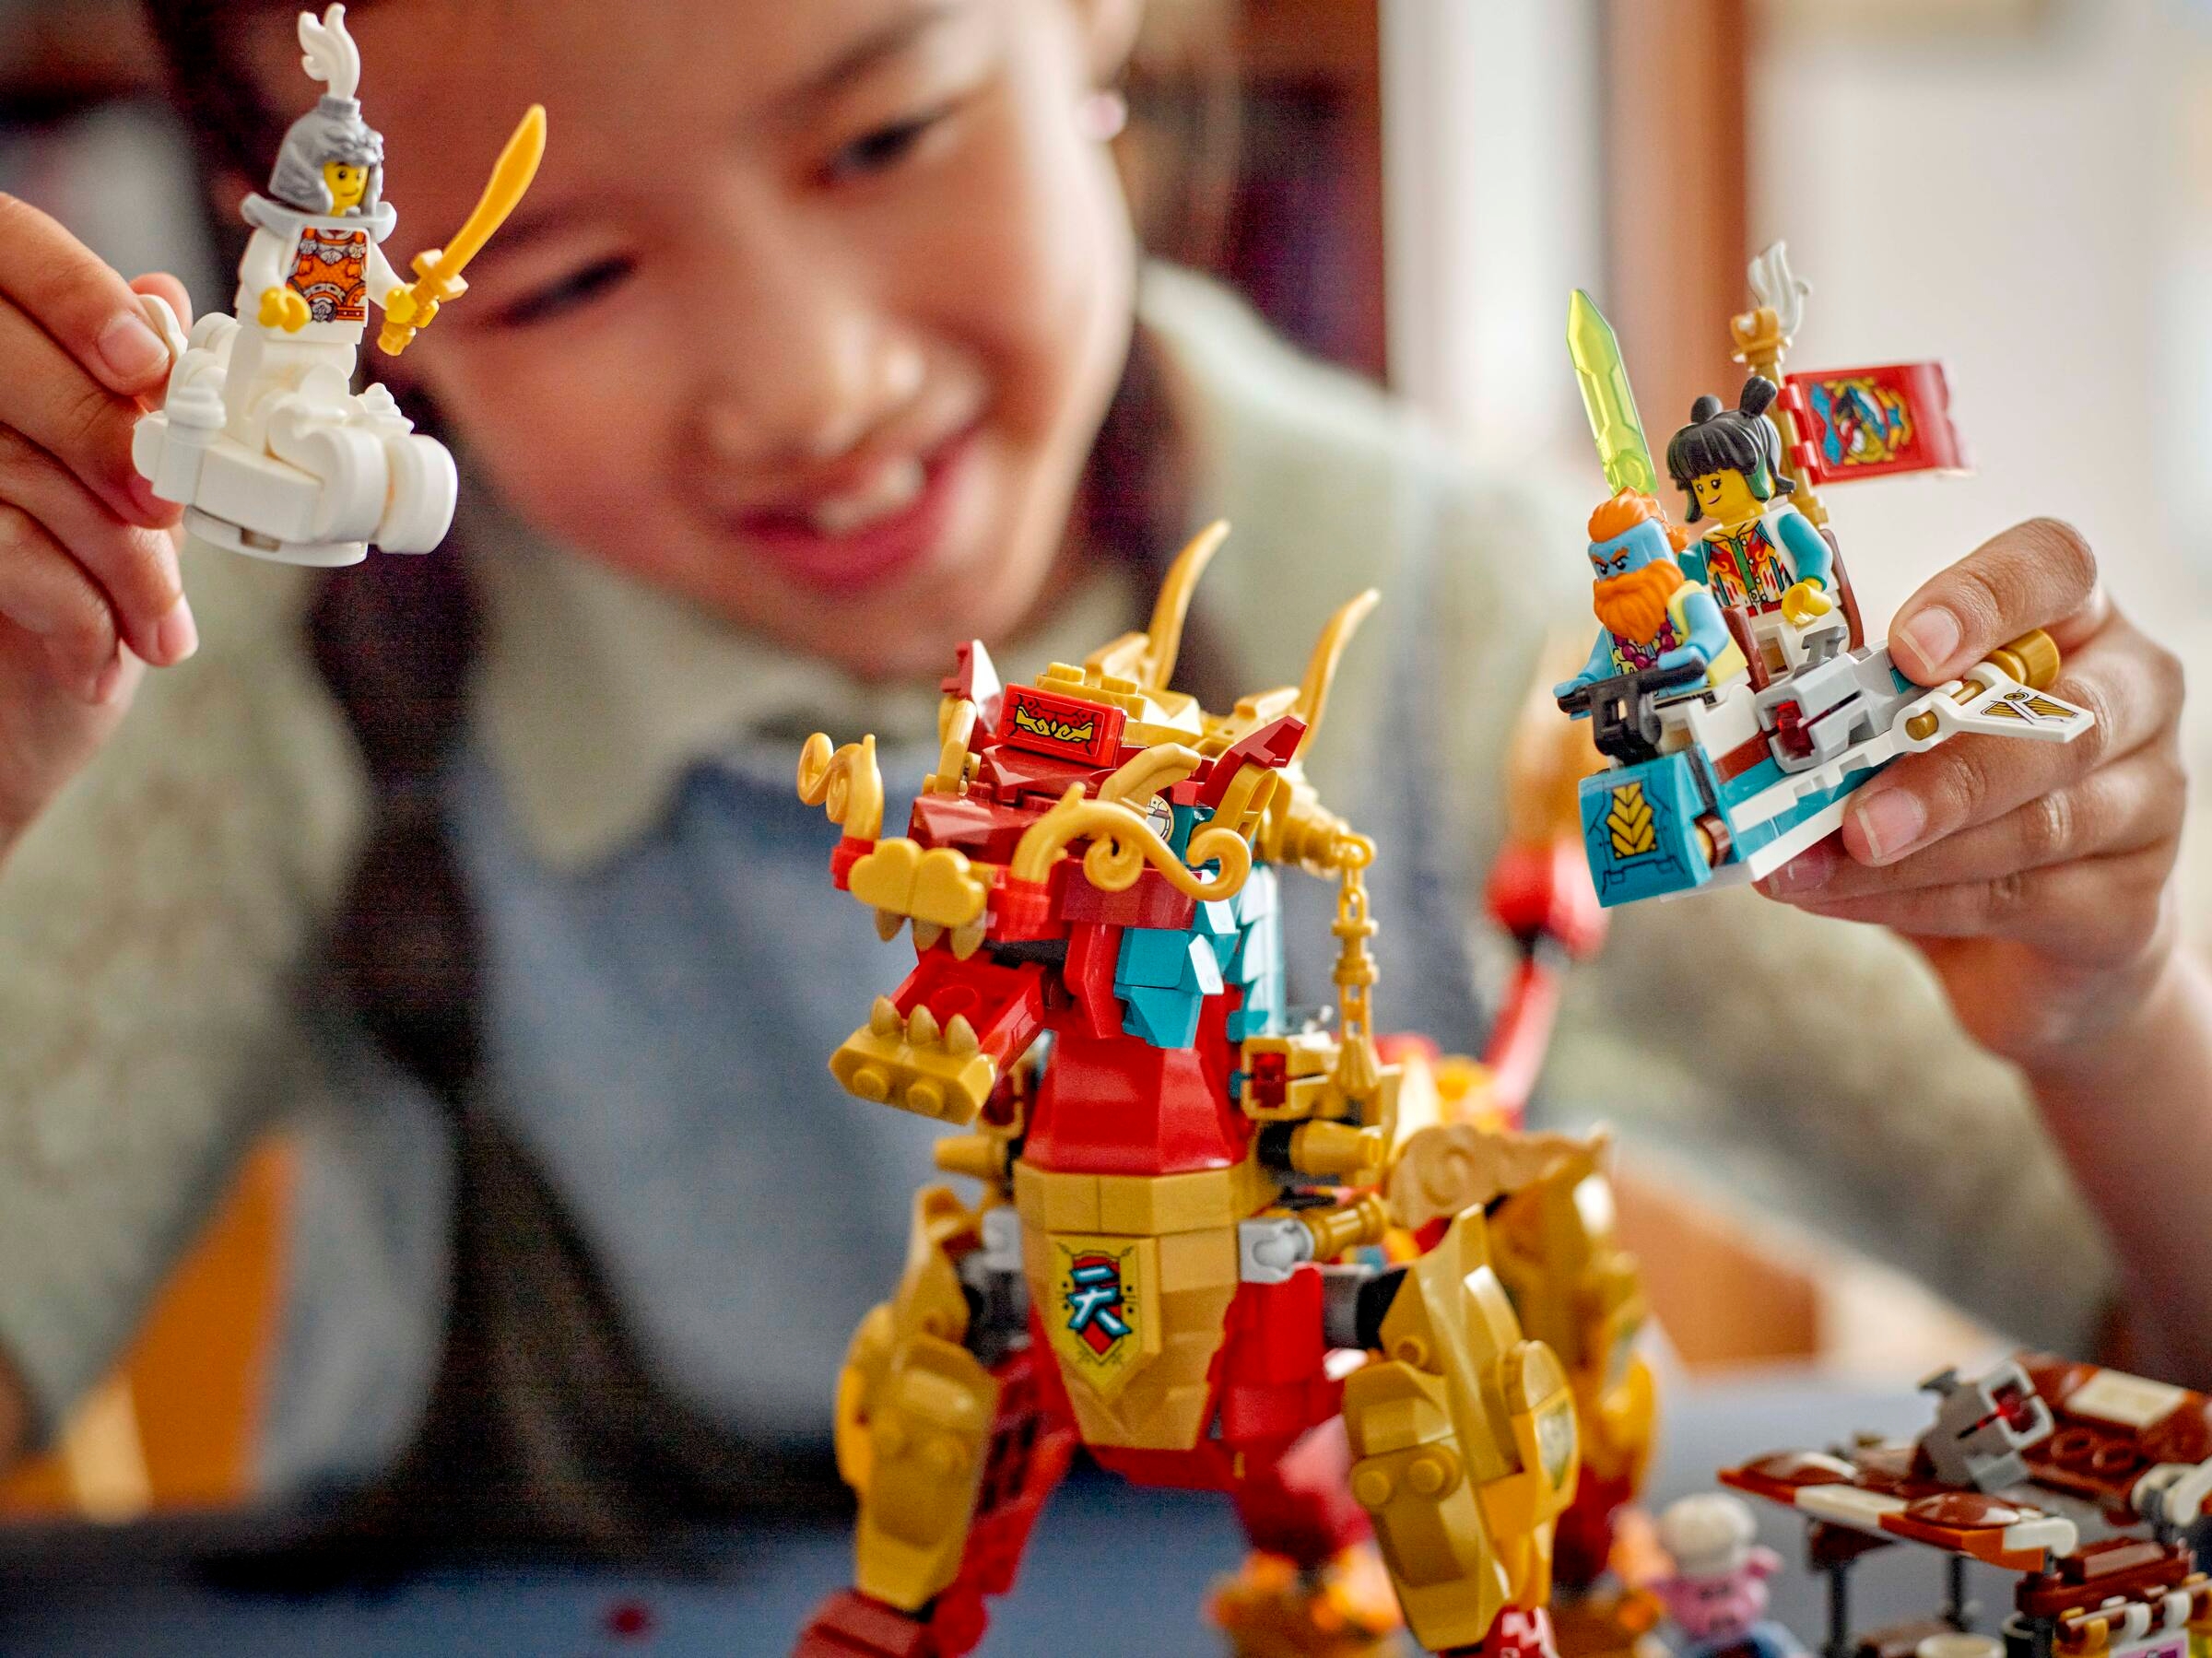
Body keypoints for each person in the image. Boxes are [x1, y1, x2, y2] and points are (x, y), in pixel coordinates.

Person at [0, 0, 2204, 1565]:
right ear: (342, 297)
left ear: (1092, 20)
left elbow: (2159, 1354)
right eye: (569, 276)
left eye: (883, 139)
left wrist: (2112, 1019)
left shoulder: (1465, 631)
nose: (812, 385)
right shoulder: (235, 671)